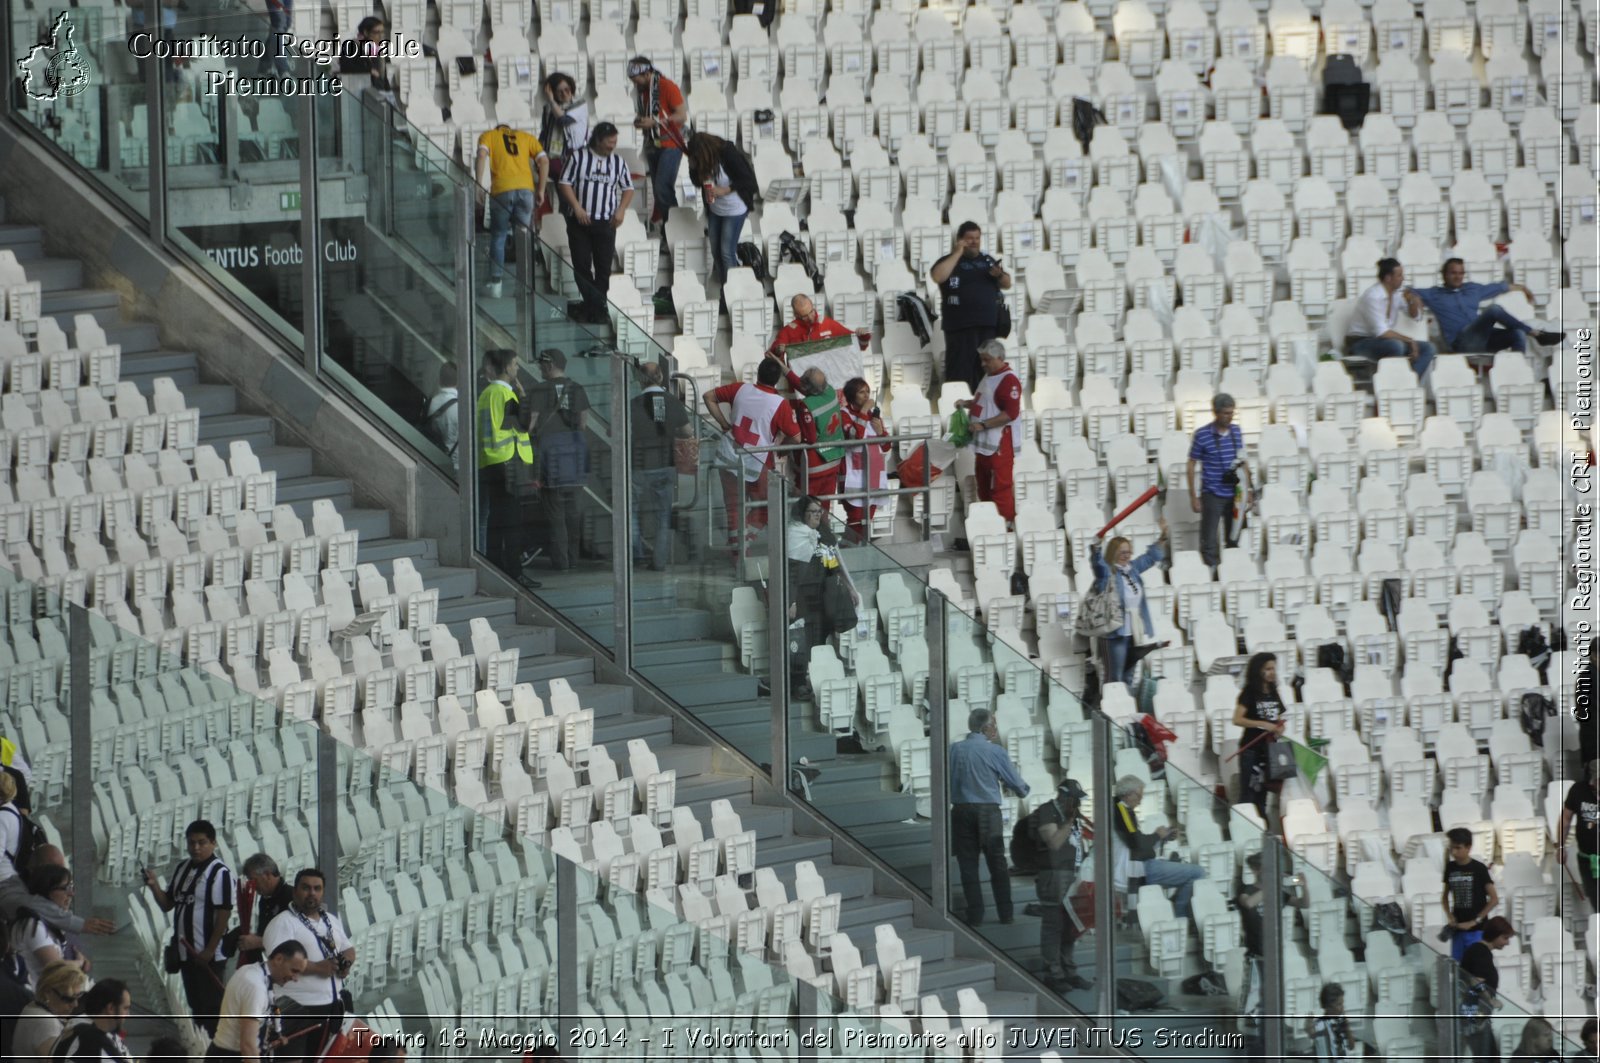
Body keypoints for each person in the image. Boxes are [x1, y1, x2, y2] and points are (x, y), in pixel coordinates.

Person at [142, 820, 234, 1037]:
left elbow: (223, 914)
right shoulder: (182, 867)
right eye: (191, 843)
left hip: (208, 954)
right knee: (196, 1007)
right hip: (186, 953)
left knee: (211, 1009)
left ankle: (215, 1053)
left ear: (213, 843)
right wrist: (154, 885)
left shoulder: (220, 873)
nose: (196, 848)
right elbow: (167, 904)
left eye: (202, 843)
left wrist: (210, 950)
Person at [704, 358, 802, 555]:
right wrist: (781, 449)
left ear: (758, 373)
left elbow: (708, 397)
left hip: (728, 456)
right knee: (766, 506)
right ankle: (744, 541)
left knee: (733, 508)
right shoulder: (779, 404)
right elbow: (797, 437)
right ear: (777, 380)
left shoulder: (741, 389)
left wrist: (724, 425)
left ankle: (738, 551)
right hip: (757, 463)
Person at [261, 869, 355, 1063]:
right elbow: (279, 962)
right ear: (295, 891)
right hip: (297, 1010)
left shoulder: (330, 919)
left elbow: (348, 948)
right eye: (306, 888)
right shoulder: (282, 923)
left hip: (331, 1007)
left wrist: (346, 963)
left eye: (317, 888)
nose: (312, 893)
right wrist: (319, 968)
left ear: (322, 892)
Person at [949, 709, 1029, 926]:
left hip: (960, 811)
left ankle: (975, 915)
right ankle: (1006, 914)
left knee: (968, 865)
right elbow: (1018, 786)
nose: (996, 728)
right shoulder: (995, 751)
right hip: (987, 811)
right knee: (997, 864)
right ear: (985, 728)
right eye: (993, 724)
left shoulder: (953, 749)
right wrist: (1023, 790)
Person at [557, 123, 634, 324]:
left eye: (615, 142)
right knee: (581, 265)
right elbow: (564, 183)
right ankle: (596, 306)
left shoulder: (618, 162)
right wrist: (577, 206)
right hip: (580, 221)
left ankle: (594, 307)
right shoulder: (578, 157)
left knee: (603, 269)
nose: (612, 146)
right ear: (598, 140)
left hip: (606, 222)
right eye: (609, 142)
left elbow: (628, 188)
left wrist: (621, 210)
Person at [1412, 259, 1565, 356]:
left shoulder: (1472, 289)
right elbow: (1407, 290)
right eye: (1453, 273)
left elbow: (1499, 287)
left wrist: (1522, 288)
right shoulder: (1434, 293)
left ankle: (1516, 371)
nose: (1457, 276)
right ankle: (1537, 334)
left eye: (1461, 273)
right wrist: (1412, 297)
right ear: (1444, 275)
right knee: (1494, 310)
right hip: (1462, 343)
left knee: (1517, 334)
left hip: (1484, 339)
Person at [475, 349, 536, 583]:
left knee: (496, 519)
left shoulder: (486, 394)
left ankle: (496, 564)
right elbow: (524, 424)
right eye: (515, 365)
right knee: (511, 521)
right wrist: (522, 394)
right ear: (508, 368)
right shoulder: (504, 394)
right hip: (508, 460)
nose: (518, 369)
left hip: (491, 460)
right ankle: (514, 571)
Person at [785, 495, 854, 700]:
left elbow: (833, 564)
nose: (818, 516)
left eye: (820, 512)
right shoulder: (795, 535)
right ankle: (796, 684)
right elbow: (791, 571)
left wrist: (848, 587)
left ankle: (814, 681)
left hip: (823, 596)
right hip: (802, 597)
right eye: (813, 512)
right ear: (802, 513)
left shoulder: (822, 535)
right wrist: (791, 600)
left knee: (819, 640)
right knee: (800, 642)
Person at [528, 349, 591, 572]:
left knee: (555, 514)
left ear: (549, 365)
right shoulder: (577, 389)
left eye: (541, 365)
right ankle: (573, 559)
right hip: (574, 457)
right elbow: (583, 424)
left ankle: (561, 563)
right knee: (573, 513)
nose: (539, 369)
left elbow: (531, 425)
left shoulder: (537, 390)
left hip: (549, 457)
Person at [931, 223, 1010, 391]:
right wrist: (958, 252)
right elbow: (938, 276)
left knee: (987, 370)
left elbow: (1007, 283)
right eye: (969, 239)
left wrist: (1000, 275)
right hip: (960, 327)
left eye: (977, 238)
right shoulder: (949, 261)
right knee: (960, 372)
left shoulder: (987, 260)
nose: (974, 242)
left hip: (987, 326)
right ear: (960, 240)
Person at [1111, 775, 1205, 918]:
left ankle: (1175, 909)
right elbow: (1136, 844)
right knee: (1198, 872)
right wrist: (1157, 835)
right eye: (1139, 796)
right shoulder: (1120, 809)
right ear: (1129, 794)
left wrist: (1163, 838)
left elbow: (1136, 840)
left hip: (1140, 863)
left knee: (1186, 869)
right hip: (1138, 867)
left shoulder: (1120, 807)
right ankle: (1179, 916)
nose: (1141, 801)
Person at [1088, 524, 1169, 687]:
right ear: (1114, 553)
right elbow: (1098, 565)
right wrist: (1096, 548)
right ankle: (1113, 709)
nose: (1127, 556)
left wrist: (1162, 538)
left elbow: (1150, 557)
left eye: (1128, 552)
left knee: (1129, 676)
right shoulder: (1107, 573)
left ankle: (1128, 707)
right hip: (1114, 633)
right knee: (1115, 677)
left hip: (1133, 631)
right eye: (1122, 552)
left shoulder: (1132, 569)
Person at [475, 123, 548, 300]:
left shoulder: (489, 135)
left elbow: (482, 155)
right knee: (523, 237)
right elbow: (544, 161)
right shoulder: (526, 137)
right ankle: (524, 286)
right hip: (525, 190)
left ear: (498, 128)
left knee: (499, 236)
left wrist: (478, 184)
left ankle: (496, 285)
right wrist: (541, 189)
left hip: (502, 190)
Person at [630, 361, 690, 571]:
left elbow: (615, 431)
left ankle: (635, 556)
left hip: (637, 465)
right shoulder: (672, 402)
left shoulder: (633, 403)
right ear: (661, 378)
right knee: (663, 517)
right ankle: (659, 561)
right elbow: (687, 432)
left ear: (641, 380)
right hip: (665, 463)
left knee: (631, 512)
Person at [767, 353, 846, 512]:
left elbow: (808, 438)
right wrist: (784, 368)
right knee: (823, 510)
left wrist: (784, 446)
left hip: (814, 467)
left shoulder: (806, 405)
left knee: (804, 510)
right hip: (833, 459)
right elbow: (802, 385)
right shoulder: (829, 391)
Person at [955, 340, 1023, 523]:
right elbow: (985, 402)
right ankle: (990, 522)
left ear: (999, 358)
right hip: (985, 445)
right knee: (984, 485)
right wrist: (967, 403)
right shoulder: (991, 376)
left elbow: (1010, 413)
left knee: (1001, 487)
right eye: (982, 360)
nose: (983, 364)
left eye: (987, 360)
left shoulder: (1009, 381)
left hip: (999, 444)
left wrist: (983, 425)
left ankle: (1005, 525)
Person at [209, 940, 308, 1063]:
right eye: (294, 971)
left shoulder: (254, 972)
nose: (295, 979)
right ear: (279, 959)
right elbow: (248, 1046)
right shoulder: (255, 986)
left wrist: (276, 1036)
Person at [1035, 779, 1091, 992]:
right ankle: (1053, 973)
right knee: (1054, 925)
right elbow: (1054, 843)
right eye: (1075, 800)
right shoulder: (1047, 811)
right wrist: (1068, 822)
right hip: (1054, 875)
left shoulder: (1073, 816)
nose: (1078, 804)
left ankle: (1070, 971)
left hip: (1073, 873)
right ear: (1064, 797)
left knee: (1071, 925)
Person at [1186, 392, 1250, 570]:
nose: (1229, 416)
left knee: (1234, 535)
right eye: (1225, 413)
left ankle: (1232, 570)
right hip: (1212, 492)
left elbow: (1243, 461)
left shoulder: (1236, 431)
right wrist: (1193, 496)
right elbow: (1191, 464)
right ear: (1215, 412)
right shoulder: (1202, 434)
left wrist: (1249, 490)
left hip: (1236, 493)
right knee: (1209, 538)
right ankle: (1212, 572)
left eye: (1231, 413)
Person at [685, 132, 758, 284]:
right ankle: (726, 286)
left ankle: (733, 288)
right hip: (715, 209)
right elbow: (697, 183)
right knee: (716, 252)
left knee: (726, 252)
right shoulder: (699, 161)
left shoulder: (728, 152)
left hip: (735, 209)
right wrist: (692, 167)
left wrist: (725, 190)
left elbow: (749, 181)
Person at [1346, 257, 1436, 376]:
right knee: (1396, 346)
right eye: (1399, 275)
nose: (1403, 279)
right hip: (1360, 342)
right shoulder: (1373, 296)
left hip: (1383, 341)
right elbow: (1381, 332)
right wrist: (1410, 340)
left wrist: (1412, 301)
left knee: (1428, 348)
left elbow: (1416, 317)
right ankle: (1391, 380)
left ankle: (1410, 380)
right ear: (1388, 278)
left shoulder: (1396, 294)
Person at [627, 58, 688, 224]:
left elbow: (682, 116)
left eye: (636, 80)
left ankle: (677, 228)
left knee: (663, 188)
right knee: (658, 190)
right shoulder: (642, 91)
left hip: (671, 144)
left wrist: (654, 122)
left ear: (647, 74)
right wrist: (640, 121)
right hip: (653, 144)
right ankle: (668, 228)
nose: (634, 84)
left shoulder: (667, 86)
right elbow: (647, 114)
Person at [9, 866, 88, 988]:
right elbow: (57, 969)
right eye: (65, 888)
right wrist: (79, 963)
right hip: (32, 998)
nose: (71, 894)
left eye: (71, 887)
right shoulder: (32, 925)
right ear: (48, 891)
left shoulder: (51, 923)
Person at [1232, 652, 1289, 821]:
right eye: (1268, 669)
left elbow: (1277, 719)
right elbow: (1237, 719)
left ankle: (1262, 827)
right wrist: (1262, 724)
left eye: (1274, 668)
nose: (1272, 672)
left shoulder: (1273, 691)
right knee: (1249, 794)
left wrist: (1279, 727)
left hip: (1269, 750)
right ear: (1258, 670)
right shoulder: (1249, 692)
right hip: (1251, 750)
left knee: (1263, 794)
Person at [838, 378, 889, 544]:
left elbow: (887, 446)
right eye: (861, 392)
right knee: (856, 522)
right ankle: (847, 554)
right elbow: (854, 436)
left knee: (866, 522)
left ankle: (858, 553)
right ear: (852, 395)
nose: (866, 395)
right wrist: (864, 412)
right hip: (853, 477)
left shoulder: (873, 417)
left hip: (874, 476)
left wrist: (881, 432)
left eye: (868, 391)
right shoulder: (844, 414)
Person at [1458, 917, 1516, 1061]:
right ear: (1494, 935)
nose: (1507, 942)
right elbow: (1476, 981)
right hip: (1475, 1017)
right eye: (1505, 938)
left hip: (1477, 1016)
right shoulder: (1480, 952)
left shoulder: (1479, 951)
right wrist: (1490, 1000)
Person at [537, 72, 589, 223]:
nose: (565, 93)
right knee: (565, 200)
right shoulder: (548, 109)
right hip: (555, 158)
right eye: (559, 91)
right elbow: (545, 132)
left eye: (567, 89)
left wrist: (552, 102)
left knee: (574, 198)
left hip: (575, 157)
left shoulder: (580, 104)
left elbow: (564, 120)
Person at [1442, 826, 1499, 963]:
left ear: (1468, 847)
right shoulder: (1450, 867)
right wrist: (1450, 916)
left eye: (1458, 848)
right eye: (1452, 848)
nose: (1454, 852)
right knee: (1458, 967)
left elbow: (1494, 899)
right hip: (1458, 929)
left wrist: (1475, 921)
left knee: (1475, 966)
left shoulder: (1479, 868)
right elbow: (1444, 897)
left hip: (1477, 930)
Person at [13, 960, 86, 1063]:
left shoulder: (32, 1006)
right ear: (48, 992)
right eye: (68, 999)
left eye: (78, 997)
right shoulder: (47, 1022)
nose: (75, 1004)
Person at [49, 978, 132, 1063]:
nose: (128, 1015)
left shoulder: (75, 1030)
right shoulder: (94, 1040)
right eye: (125, 1008)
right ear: (111, 1008)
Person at [235, 853, 295, 966]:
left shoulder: (291, 898)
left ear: (267, 874)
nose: (252, 886)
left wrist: (259, 942)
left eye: (253, 880)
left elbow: (297, 937)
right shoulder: (264, 899)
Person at [1556, 760, 1600, 910]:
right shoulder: (1578, 790)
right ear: (1592, 781)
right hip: (1587, 859)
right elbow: (1565, 818)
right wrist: (1561, 846)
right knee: (1595, 900)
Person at [766, 295, 855, 358]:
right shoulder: (788, 331)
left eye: (811, 312)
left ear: (812, 306)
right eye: (804, 316)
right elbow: (770, 354)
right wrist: (777, 350)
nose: (810, 318)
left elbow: (853, 340)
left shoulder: (827, 323)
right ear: (796, 315)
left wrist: (862, 335)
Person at [336, 17, 392, 96]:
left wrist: (388, 92)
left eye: (382, 32)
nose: (381, 36)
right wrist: (369, 70)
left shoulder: (379, 50)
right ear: (366, 32)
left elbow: (383, 77)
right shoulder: (352, 45)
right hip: (360, 95)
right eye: (377, 32)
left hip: (380, 94)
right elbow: (346, 66)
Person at [1306, 983, 1355, 1063]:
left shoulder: (1341, 1023)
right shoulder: (1320, 1024)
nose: (1342, 1008)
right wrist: (1309, 1025)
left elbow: (1351, 1046)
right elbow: (1312, 1033)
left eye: (1342, 1004)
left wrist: (1347, 1028)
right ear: (1327, 1006)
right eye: (1339, 1004)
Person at [420, 364, 459, 456]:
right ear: (458, 382)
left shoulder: (429, 403)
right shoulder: (462, 408)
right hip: (457, 461)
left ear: (440, 380)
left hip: (433, 458)